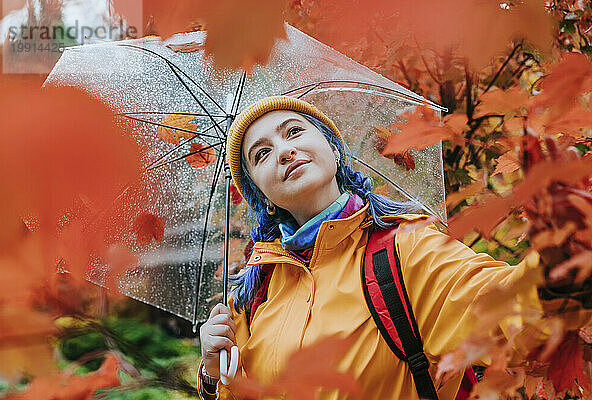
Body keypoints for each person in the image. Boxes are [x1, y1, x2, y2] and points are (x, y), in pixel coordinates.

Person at [197, 95, 592, 400]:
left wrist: (555, 270)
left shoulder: (403, 249)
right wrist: (215, 378)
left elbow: (495, 306)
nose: (282, 151)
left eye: (294, 131)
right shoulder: (253, 298)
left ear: (334, 149)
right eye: (261, 154)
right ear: (261, 195)